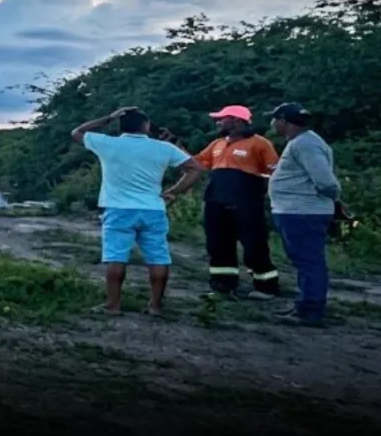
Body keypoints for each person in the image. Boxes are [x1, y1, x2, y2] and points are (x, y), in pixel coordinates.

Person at [71, 107, 206, 316]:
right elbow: (195, 168)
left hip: (118, 209)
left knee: (116, 257)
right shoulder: (163, 148)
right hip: (153, 209)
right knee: (158, 257)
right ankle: (155, 306)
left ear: (120, 126)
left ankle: (113, 305)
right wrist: (174, 192)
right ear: (146, 126)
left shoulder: (108, 144)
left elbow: (77, 132)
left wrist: (109, 117)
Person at [161, 105, 281, 300]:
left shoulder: (260, 144)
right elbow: (196, 163)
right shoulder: (217, 144)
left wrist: (266, 194)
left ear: (238, 121)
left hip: (246, 203)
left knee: (254, 245)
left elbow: (274, 172)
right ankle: (222, 286)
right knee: (218, 245)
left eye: (222, 119)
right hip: (216, 200)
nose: (218, 122)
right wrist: (174, 143)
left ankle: (266, 286)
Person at [267, 102, 341, 326]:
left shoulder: (306, 144)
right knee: (304, 261)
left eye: (274, 119)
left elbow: (326, 182)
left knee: (309, 261)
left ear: (284, 121)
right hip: (297, 211)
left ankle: (311, 310)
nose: (272, 123)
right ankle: (304, 304)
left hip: (304, 212)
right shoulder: (301, 143)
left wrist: (334, 196)